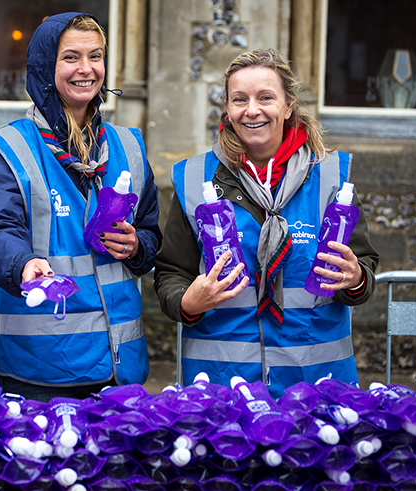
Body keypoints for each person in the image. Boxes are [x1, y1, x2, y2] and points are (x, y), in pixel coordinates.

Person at [154, 48, 379, 397]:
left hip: (315, 385)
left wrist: (356, 278)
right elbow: (170, 273)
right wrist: (187, 302)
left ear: (288, 106)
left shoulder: (331, 177)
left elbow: (363, 269)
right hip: (222, 386)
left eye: (266, 97)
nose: (252, 110)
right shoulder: (194, 178)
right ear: (227, 110)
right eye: (239, 99)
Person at [0, 12, 162, 402]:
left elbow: (151, 232)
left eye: (96, 56)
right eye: (71, 57)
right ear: (45, 66)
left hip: (119, 364)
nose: (86, 69)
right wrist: (22, 262)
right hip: (40, 366)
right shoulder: (12, 147)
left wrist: (137, 245)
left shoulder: (129, 146)